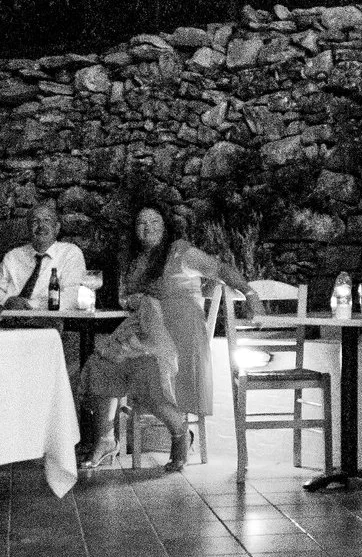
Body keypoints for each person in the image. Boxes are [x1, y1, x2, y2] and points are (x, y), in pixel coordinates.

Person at [77, 202, 250, 471]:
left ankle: (180, 435)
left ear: (165, 226)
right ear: (135, 230)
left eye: (155, 222)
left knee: (149, 370)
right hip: (144, 327)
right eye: (141, 223)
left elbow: (220, 270)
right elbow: (125, 297)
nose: (148, 228)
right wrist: (133, 301)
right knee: (101, 364)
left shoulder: (181, 252)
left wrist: (250, 294)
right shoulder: (135, 261)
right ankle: (105, 438)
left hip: (181, 329)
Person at [0, 200, 92, 312]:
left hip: (48, 322)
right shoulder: (13, 256)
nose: (41, 226)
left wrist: (29, 305)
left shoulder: (70, 253)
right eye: (35, 221)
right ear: (28, 228)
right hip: (8, 322)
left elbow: (71, 295)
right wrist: (7, 301)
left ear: (57, 228)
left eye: (47, 220)